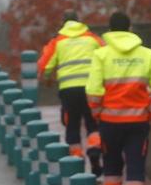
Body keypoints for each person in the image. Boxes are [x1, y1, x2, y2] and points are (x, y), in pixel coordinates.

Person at [85, 10, 151, 185]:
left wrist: (98, 114)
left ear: (110, 30)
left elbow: (93, 91)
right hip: (138, 123)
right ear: (130, 29)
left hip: (109, 123)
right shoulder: (147, 54)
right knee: (135, 166)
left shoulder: (101, 55)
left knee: (111, 167)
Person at [37, 11, 104, 175]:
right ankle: (94, 151)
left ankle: (76, 162)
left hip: (68, 90)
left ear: (63, 23)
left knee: (72, 124)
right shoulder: (92, 38)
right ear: (78, 21)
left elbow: (45, 65)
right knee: (93, 123)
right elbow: (107, 55)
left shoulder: (58, 41)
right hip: (90, 88)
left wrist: (47, 78)